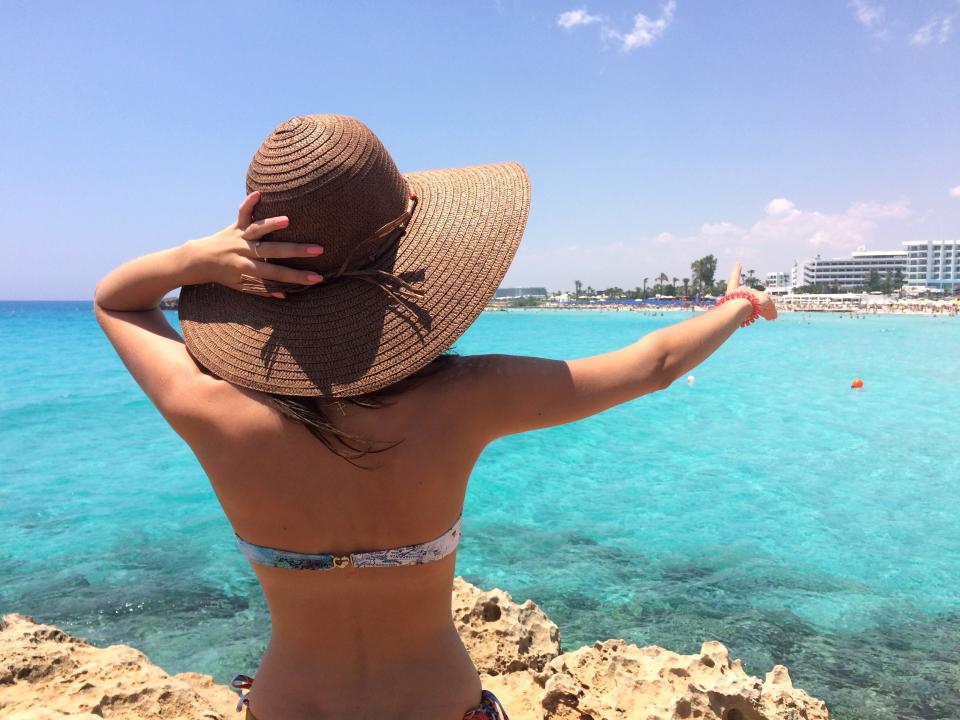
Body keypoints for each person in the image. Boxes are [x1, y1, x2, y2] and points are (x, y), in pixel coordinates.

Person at [94, 114, 777, 720]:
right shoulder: (466, 397)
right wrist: (736, 308)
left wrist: (197, 258)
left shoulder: (208, 409)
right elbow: (653, 365)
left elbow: (117, 302)